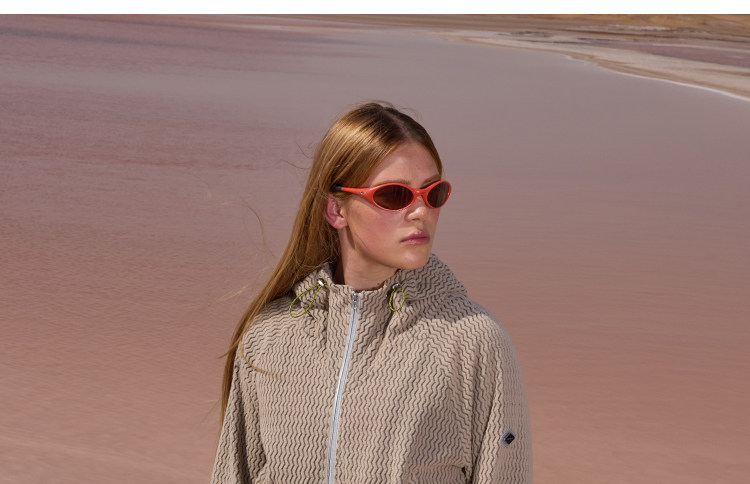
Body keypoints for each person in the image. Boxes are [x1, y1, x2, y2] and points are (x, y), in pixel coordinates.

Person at [211, 101, 532, 483]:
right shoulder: (268, 336)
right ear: (336, 210)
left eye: (433, 193)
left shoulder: (474, 342)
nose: (420, 212)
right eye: (395, 195)